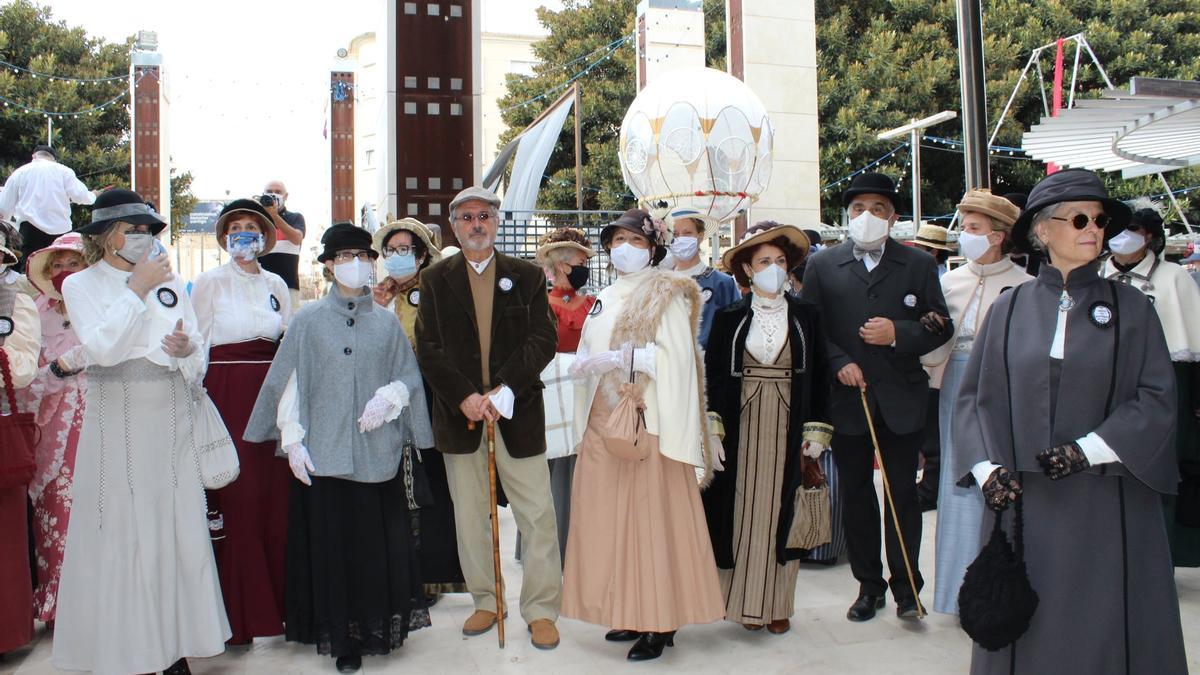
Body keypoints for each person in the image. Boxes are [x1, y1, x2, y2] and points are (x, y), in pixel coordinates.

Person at [956, 169, 1187, 674]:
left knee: (1104, 622)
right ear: (1042, 231)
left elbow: (1156, 397)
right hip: (1021, 505)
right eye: (1080, 218)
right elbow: (974, 399)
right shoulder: (1008, 308)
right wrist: (985, 470)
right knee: (1028, 633)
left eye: (1100, 220)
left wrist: (1090, 449)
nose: (1095, 229)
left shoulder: (1132, 307)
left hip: (1106, 501)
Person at [52, 189, 229, 675]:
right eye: (132, 230)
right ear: (107, 237)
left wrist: (183, 350)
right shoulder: (81, 285)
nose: (143, 238)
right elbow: (103, 349)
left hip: (172, 422)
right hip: (119, 427)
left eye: (148, 230)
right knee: (127, 531)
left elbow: (197, 353)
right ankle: (130, 651)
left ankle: (175, 648)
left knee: (177, 531)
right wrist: (135, 290)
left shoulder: (173, 285)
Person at [245, 222, 434, 673]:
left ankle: (374, 628)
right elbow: (287, 380)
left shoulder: (386, 323)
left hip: (376, 455)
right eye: (345, 257)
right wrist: (290, 437)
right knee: (332, 547)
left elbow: (408, 376)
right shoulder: (308, 320)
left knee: (374, 546)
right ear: (328, 265)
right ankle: (341, 635)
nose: (357, 264)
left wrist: (394, 396)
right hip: (323, 454)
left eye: (363, 256)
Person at [562, 208, 724, 661]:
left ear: (653, 249)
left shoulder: (664, 293)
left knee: (650, 526)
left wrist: (630, 362)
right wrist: (585, 365)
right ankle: (630, 610)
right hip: (603, 421)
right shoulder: (604, 295)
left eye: (635, 242)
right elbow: (589, 348)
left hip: (647, 421)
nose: (624, 249)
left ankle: (660, 620)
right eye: (616, 241)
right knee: (611, 523)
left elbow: (677, 360)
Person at [414, 186, 562, 650]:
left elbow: (543, 338)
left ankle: (540, 610)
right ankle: (486, 599)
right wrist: (464, 397)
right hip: (462, 418)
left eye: (484, 216)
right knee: (471, 516)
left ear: (496, 222)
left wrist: (504, 390)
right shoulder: (436, 280)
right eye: (467, 217)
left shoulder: (527, 275)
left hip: (517, 413)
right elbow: (428, 347)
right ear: (454, 226)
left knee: (537, 514)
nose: (477, 224)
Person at [800, 172, 952, 621]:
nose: (867, 216)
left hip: (902, 399)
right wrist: (838, 360)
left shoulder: (918, 265)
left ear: (894, 217)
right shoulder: (823, 265)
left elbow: (939, 323)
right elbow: (812, 327)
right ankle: (868, 586)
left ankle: (907, 587)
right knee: (859, 498)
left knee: (902, 494)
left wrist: (898, 334)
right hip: (848, 402)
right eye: (858, 208)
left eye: (877, 208)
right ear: (846, 215)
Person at [702, 222, 832, 635]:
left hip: (790, 423)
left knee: (783, 509)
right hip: (742, 424)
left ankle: (777, 605)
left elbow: (820, 375)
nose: (772, 268)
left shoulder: (807, 316)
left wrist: (816, 431)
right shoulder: (729, 317)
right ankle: (738, 603)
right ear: (747, 269)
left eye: (779, 261)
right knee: (738, 510)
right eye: (763, 262)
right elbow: (715, 377)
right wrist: (713, 429)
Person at [919, 189, 1030, 615]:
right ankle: (956, 593)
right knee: (955, 477)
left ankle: (1004, 585)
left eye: (973, 228)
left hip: (1006, 394)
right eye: (964, 227)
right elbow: (932, 352)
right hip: (955, 389)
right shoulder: (947, 281)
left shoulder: (1026, 287)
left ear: (998, 235)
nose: (964, 235)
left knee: (1002, 476)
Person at [190, 199, 292, 645]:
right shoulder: (209, 284)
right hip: (227, 393)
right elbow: (197, 344)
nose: (245, 235)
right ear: (225, 237)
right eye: (236, 228)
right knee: (238, 497)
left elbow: (288, 340)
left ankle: (281, 612)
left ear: (266, 237)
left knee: (276, 499)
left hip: (270, 394)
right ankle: (236, 619)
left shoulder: (278, 285)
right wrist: (199, 401)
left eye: (253, 227)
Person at [370, 218, 465, 602]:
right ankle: (396, 570)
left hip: (429, 398)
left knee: (431, 487)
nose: (396, 257)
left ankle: (432, 575)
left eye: (405, 250)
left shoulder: (438, 290)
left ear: (423, 254)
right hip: (385, 402)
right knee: (393, 487)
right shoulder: (376, 296)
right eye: (390, 251)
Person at [1101, 200, 1200, 567]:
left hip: (1166, 381)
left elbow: (1193, 337)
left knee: (1160, 467)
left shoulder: (1174, 277)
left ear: (1150, 238)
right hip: (1105, 381)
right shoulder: (1095, 274)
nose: (1123, 239)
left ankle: (1160, 555)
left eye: (1134, 231)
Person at [17, 232, 90, 626]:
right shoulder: (36, 313)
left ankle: (104, 598)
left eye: (72, 264)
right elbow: (26, 380)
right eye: (57, 265)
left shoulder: (101, 308)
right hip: (54, 429)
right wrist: (60, 370)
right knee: (58, 513)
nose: (63, 272)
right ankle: (61, 605)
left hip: (101, 421)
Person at [533, 227, 596, 560]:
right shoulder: (540, 305)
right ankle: (556, 544)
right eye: (578, 260)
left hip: (588, 393)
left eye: (586, 260)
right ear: (559, 264)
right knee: (555, 467)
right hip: (553, 394)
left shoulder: (596, 304)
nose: (584, 265)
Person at [0, 241, 40, 658]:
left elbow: (25, 367)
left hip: (1, 428)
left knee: (4, 538)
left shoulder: (16, 296)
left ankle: (5, 632)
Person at [0, 146, 99, 269]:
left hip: (30, 230)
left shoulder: (19, 172)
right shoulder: (64, 171)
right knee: (63, 270)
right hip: (60, 231)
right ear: (54, 159)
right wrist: (93, 195)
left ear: (34, 156)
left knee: (30, 270)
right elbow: (81, 197)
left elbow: (4, 208)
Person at [665, 208, 740, 348]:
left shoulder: (722, 283)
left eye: (687, 233)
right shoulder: (659, 284)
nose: (680, 238)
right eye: (675, 234)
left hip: (709, 366)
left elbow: (735, 332)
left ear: (700, 236)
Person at [257, 180, 306, 307]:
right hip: (259, 286)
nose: (273, 195)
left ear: (286, 196)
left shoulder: (295, 218)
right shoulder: (256, 220)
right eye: (269, 192)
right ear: (263, 195)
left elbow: (296, 238)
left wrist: (274, 217)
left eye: (278, 192)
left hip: (288, 286)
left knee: (289, 326)